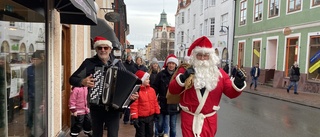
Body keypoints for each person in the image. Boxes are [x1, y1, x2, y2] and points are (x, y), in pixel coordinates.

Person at [168, 36, 246, 137]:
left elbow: (231, 93)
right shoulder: (185, 71)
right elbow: (172, 90)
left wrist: (238, 84)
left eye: (206, 55)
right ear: (194, 56)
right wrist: (183, 78)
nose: (203, 58)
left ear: (211, 56)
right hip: (189, 119)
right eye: (199, 55)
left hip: (209, 121)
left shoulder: (220, 74)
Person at [69, 36, 139, 137]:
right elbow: (72, 79)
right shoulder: (89, 63)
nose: (103, 50)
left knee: (113, 135)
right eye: (100, 48)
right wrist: (82, 81)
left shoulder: (118, 64)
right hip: (96, 108)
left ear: (110, 49)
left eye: (105, 48)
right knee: (97, 134)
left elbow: (129, 86)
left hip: (113, 109)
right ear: (96, 49)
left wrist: (130, 98)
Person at [152, 54, 180, 137]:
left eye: (173, 63)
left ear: (175, 65)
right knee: (160, 125)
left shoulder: (178, 75)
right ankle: (160, 132)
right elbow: (155, 88)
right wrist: (153, 99)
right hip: (162, 103)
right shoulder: (160, 74)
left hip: (174, 104)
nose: (171, 65)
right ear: (167, 64)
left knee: (173, 127)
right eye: (170, 63)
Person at [130, 70, 160, 137]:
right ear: (141, 80)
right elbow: (134, 105)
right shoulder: (137, 91)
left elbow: (155, 102)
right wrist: (134, 117)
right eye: (146, 79)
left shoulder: (152, 90)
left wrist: (157, 112)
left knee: (150, 134)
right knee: (141, 134)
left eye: (148, 79)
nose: (148, 80)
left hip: (150, 117)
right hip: (141, 118)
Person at [23, 50, 46, 137]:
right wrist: (25, 98)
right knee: (30, 115)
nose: (34, 61)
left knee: (41, 116)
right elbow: (25, 84)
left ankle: (41, 130)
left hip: (41, 97)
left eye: (36, 59)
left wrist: (44, 97)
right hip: (31, 97)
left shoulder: (45, 69)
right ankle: (31, 132)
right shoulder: (28, 70)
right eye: (33, 59)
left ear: (41, 60)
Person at [123, 54, 138, 124]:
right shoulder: (123, 64)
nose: (129, 58)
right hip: (125, 84)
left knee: (132, 102)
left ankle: (132, 119)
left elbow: (136, 73)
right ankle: (126, 118)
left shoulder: (134, 65)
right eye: (128, 57)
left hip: (132, 84)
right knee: (126, 101)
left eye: (130, 57)